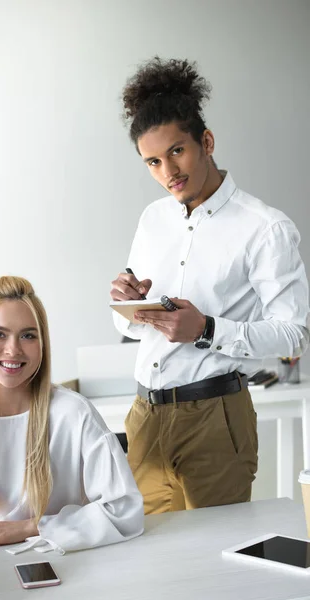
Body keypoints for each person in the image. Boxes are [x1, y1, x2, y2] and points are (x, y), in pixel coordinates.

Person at [110, 57, 310, 515]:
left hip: (215, 417)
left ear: (207, 141)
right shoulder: (153, 219)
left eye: (177, 151)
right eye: (153, 162)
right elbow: (134, 329)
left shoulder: (265, 228)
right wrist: (128, 302)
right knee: (152, 564)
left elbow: (293, 333)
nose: (168, 172)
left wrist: (206, 329)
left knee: (214, 569)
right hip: (145, 415)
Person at [0, 276, 144, 552]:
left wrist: (29, 527)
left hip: (63, 558)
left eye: (28, 335)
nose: (13, 349)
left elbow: (126, 510)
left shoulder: (72, 413)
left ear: (42, 344)